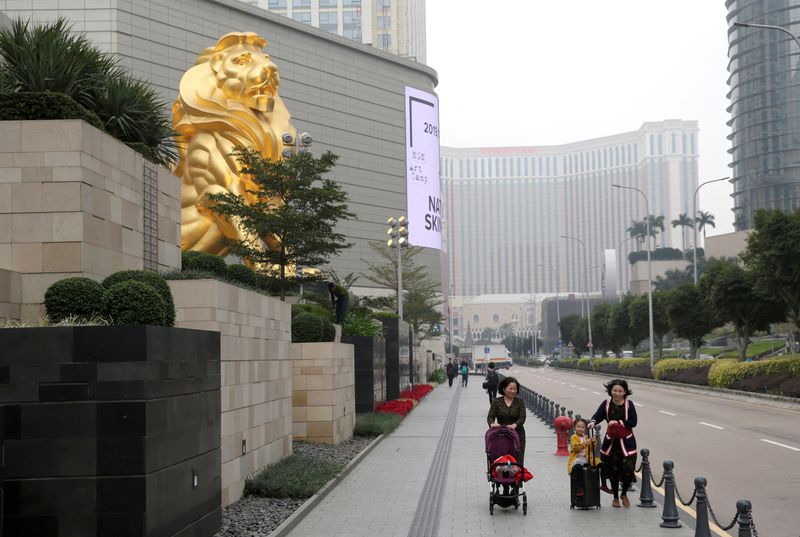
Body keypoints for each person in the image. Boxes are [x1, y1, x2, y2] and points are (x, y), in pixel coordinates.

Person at [588, 379, 638, 508]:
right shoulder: (606, 404)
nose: (617, 393)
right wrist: (593, 422)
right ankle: (615, 497)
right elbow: (598, 415)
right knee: (613, 471)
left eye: (620, 391)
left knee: (628, 469)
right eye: (614, 390)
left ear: (625, 392)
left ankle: (624, 493)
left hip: (627, 443)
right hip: (611, 443)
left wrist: (617, 422)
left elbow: (633, 422)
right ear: (610, 391)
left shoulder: (629, 404)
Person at [487, 376, 527, 467]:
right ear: (504, 389)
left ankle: (518, 480)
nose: (513, 391)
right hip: (501, 435)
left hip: (518, 434)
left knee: (517, 462)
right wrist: (492, 424)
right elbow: (490, 416)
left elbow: (522, 417)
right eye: (510, 388)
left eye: (515, 389)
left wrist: (515, 425)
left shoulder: (520, 402)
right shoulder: (497, 402)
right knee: (502, 461)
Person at [567, 418, 596, 506]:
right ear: (574, 428)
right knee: (577, 468)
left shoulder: (586, 437)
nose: (580, 429)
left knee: (600, 465)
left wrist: (593, 443)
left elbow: (592, 449)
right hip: (577, 459)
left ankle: (603, 485)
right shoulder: (573, 437)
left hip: (586, 459)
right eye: (578, 427)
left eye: (582, 427)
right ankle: (579, 488)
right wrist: (585, 443)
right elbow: (575, 448)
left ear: (585, 429)